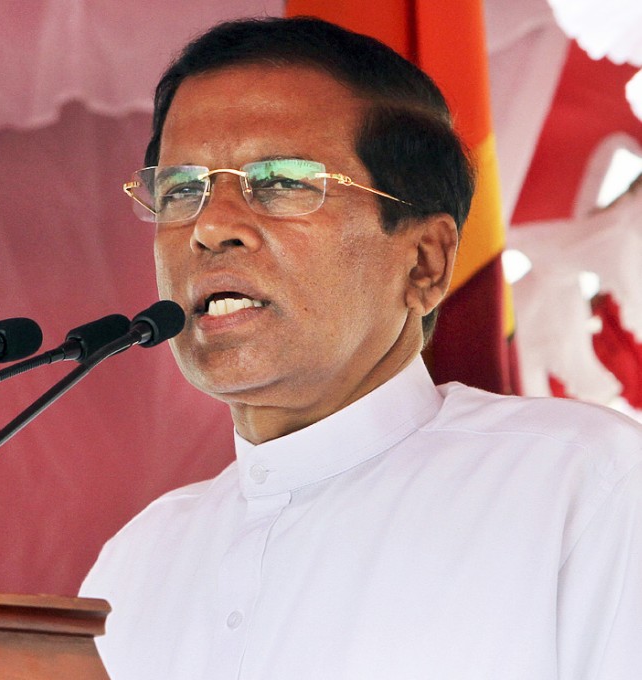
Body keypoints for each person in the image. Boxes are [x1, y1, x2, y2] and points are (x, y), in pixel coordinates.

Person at [80, 16, 642, 680]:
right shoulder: (137, 563)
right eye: (181, 191)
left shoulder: (586, 483)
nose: (211, 227)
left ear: (425, 263)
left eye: (281, 181)